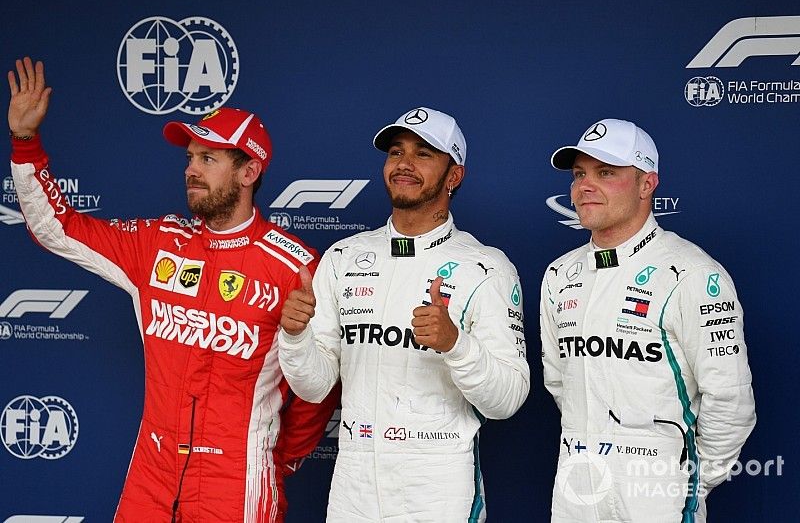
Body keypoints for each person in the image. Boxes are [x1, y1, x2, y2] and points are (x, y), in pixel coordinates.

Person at [8, 56, 339, 523]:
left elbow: (320, 388)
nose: (191, 170)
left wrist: (276, 457)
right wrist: (26, 144)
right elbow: (57, 228)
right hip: (153, 469)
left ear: (249, 172)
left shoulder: (297, 268)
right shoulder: (156, 244)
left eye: (208, 159)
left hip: (236, 478)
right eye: (189, 158)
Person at [277, 106, 530, 521]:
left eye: (424, 153)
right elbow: (314, 387)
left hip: (437, 483)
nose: (404, 164)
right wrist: (295, 336)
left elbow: (508, 399)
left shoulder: (485, 266)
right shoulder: (343, 257)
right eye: (396, 152)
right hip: (354, 483)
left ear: (454, 176)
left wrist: (456, 345)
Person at [540, 118, 756, 522]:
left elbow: (731, 401)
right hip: (577, 487)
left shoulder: (692, 274)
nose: (585, 185)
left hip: (656, 493)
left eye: (606, 173)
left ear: (647, 184)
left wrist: (688, 481)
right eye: (579, 174)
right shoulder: (559, 275)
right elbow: (560, 381)